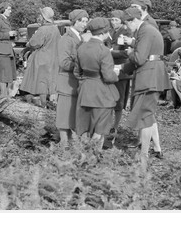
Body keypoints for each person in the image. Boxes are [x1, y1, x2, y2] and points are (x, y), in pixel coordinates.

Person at [122, 7, 172, 166]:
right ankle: (156, 149)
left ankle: (144, 154)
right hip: (152, 74)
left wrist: (129, 51)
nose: (126, 27)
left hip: (148, 76)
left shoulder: (144, 31)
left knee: (145, 116)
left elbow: (139, 58)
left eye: (127, 23)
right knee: (148, 115)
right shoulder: (148, 29)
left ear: (133, 20)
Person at [73, 17, 120, 151]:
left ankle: (82, 153)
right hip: (102, 92)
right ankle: (93, 154)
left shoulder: (81, 47)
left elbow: (76, 72)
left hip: (85, 90)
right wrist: (117, 74)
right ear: (104, 32)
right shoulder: (104, 50)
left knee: (85, 126)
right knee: (100, 127)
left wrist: (85, 81)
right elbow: (108, 76)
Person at [55, 9, 89, 147]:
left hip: (77, 82)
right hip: (67, 81)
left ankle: (72, 142)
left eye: (86, 21)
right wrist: (81, 65)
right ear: (74, 21)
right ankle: (64, 143)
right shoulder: (66, 39)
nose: (84, 24)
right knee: (64, 113)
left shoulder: (81, 37)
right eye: (82, 21)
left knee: (73, 113)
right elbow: (63, 62)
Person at [19, 7, 61, 108]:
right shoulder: (55, 29)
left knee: (40, 84)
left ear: (43, 17)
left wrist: (29, 43)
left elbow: (34, 43)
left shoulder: (43, 29)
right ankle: (50, 105)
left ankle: (43, 106)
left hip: (42, 59)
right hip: (53, 59)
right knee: (49, 83)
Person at [106, 10, 135, 136]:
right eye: (112, 19)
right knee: (108, 98)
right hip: (109, 67)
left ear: (122, 20)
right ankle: (107, 124)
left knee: (119, 100)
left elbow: (127, 52)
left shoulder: (127, 32)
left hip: (122, 69)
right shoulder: (110, 31)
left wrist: (110, 52)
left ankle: (115, 126)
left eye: (116, 20)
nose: (113, 22)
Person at [0, 1, 17, 97]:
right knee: (3, 75)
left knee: (7, 75)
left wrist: (12, 36)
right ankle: (4, 96)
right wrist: (7, 34)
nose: (11, 11)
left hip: (6, 50)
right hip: (1, 51)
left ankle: (5, 95)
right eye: (9, 9)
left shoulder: (5, 20)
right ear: (4, 9)